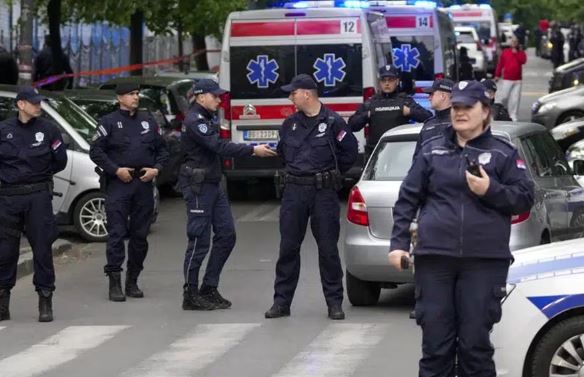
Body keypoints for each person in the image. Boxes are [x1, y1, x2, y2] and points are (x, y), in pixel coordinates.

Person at [388, 80, 534, 377]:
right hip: (434, 259)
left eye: (468, 107)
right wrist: (398, 243)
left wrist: (490, 189)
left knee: (475, 348)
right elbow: (407, 198)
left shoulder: (503, 153)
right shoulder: (431, 150)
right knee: (436, 348)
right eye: (456, 106)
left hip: (483, 262)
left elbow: (523, 199)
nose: (460, 112)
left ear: (485, 111)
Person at [265, 74, 358, 320]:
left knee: (328, 249)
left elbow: (349, 153)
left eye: (293, 93)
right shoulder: (290, 124)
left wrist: (330, 176)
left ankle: (334, 303)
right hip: (294, 191)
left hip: (322, 192)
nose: (290, 97)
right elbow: (284, 153)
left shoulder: (334, 122)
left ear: (306, 94)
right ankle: (281, 302)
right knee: (288, 248)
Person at [179, 79, 276, 311]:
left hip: (213, 183)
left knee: (226, 235)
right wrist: (252, 150)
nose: (219, 100)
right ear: (201, 97)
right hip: (198, 186)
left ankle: (209, 287)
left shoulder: (208, 117)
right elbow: (218, 147)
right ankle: (190, 293)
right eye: (215, 96)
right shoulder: (195, 120)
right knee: (199, 240)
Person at [89, 83, 169, 302]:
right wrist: (115, 170)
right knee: (116, 233)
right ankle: (114, 281)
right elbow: (95, 151)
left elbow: (163, 150)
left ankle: (133, 280)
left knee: (140, 236)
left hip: (143, 184)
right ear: (119, 98)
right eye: (131, 94)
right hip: (119, 184)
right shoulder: (109, 122)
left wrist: (156, 170)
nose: (136, 97)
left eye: (137, 94)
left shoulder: (148, 120)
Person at [0, 86, 68, 322]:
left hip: (38, 196)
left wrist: (40, 175)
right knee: (5, 251)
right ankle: (2, 301)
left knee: (42, 249)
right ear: (21, 104)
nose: (39, 105)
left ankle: (45, 300)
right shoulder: (3, 130)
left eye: (40, 102)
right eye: (34, 102)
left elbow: (60, 161)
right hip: (9, 197)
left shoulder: (49, 130)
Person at [348, 65, 431, 159]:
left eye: (390, 80)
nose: (387, 83)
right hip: (377, 154)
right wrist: (367, 115)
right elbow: (352, 125)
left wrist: (410, 112)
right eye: (384, 80)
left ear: (397, 81)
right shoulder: (371, 103)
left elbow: (428, 117)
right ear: (380, 82)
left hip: (400, 152)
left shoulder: (405, 101)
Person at [414, 78, 454, 156]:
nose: (429, 98)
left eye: (431, 94)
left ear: (443, 96)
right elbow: (417, 158)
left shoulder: (459, 123)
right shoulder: (428, 125)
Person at [494, 36, 526, 122]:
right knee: (504, 96)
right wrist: (497, 74)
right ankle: (503, 111)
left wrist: (517, 53)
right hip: (507, 78)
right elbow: (500, 64)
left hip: (517, 79)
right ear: (510, 43)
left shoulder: (520, 52)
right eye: (513, 42)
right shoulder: (505, 52)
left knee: (515, 98)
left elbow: (523, 61)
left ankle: (513, 115)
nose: (514, 43)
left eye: (516, 42)